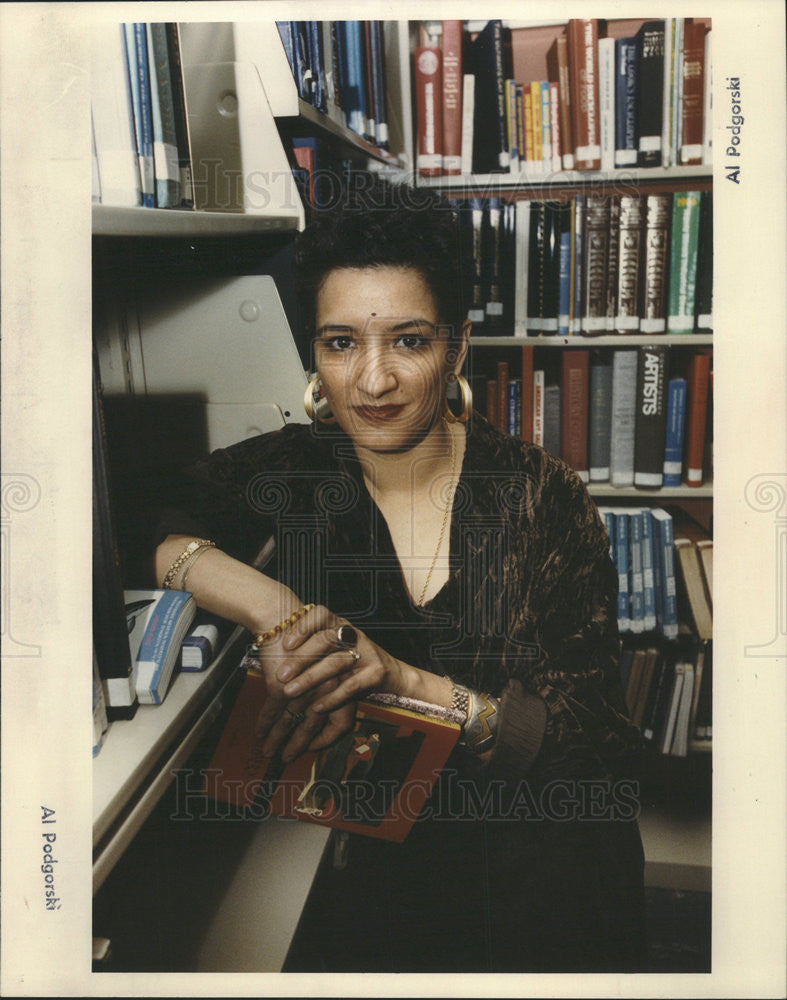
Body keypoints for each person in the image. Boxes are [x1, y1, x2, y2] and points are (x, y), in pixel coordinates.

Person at [153, 176, 648, 973]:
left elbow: (601, 749)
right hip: (389, 877)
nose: (371, 382)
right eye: (340, 342)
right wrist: (274, 607)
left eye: (408, 341)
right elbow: (145, 518)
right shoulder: (297, 469)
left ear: (455, 346)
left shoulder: (544, 495)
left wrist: (400, 680)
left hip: (545, 889)